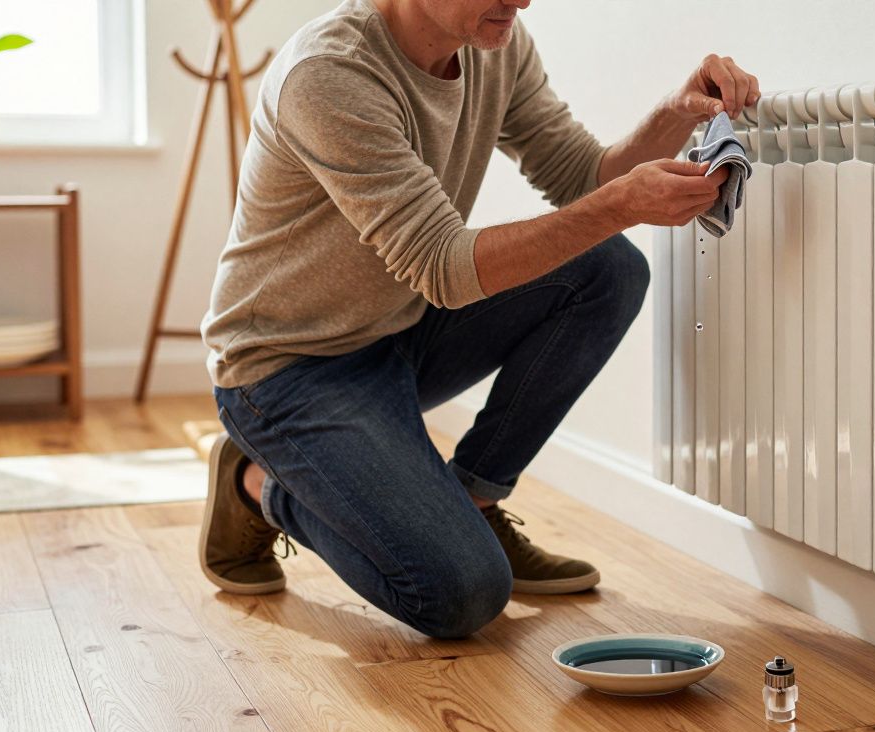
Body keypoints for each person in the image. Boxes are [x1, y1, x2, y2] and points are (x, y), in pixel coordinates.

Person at [198, 0, 760, 639]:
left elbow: (581, 177)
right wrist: (620, 205)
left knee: (607, 269)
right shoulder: (328, 75)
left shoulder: (497, 42)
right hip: (287, 370)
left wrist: (674, 113)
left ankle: (474, 500)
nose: (521, 1)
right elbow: (442, 264)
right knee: (461, 595)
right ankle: (258, 483)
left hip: (401, 328)